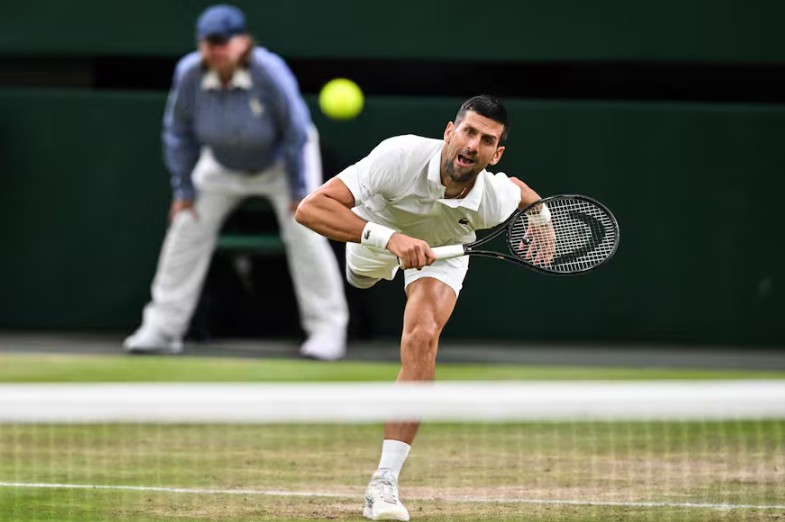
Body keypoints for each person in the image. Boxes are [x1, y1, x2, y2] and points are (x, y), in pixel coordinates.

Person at [295, 95, 556, 520]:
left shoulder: (492, 198)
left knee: (421, 337)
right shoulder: (399, 155)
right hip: (375, 234)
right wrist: (390, 240)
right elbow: (310, 209)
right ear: (449, 132)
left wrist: (542, 217)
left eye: (486, 140)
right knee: (359, 278)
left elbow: (522, 192)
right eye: (468, 132)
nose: (473, 145)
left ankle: (383, 483)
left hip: (444, 251)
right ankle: (380, 252)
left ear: (496, 154)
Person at [124, 4, 349, 360]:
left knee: (306, 231)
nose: (215, 49)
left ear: (243, 42)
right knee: (185, 225)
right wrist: (184, 190)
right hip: (221, 165)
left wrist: (298, 192)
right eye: (208, 42)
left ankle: (327, 330)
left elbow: (294, 132)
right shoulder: (189, 75)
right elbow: (177, 133)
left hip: (281, 163)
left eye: (222, 41)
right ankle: (163, 329)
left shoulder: (269, 72)